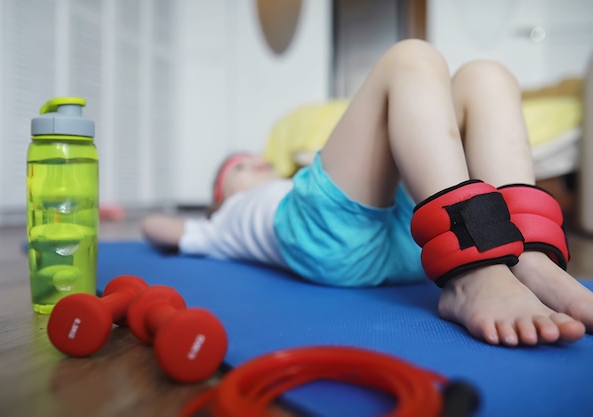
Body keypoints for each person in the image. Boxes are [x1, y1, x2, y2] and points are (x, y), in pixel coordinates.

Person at [142, 39, 593, 347]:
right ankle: (474, 272)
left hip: (415, 234)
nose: (256, 163)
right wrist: (172, 221)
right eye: (239, 168)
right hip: (327, 236)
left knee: (486, 75)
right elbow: (158, 227)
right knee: (410, 57)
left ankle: (528, 255)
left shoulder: (276, 186)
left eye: (255, 158)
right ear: (222, 196)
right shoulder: (222, 222)